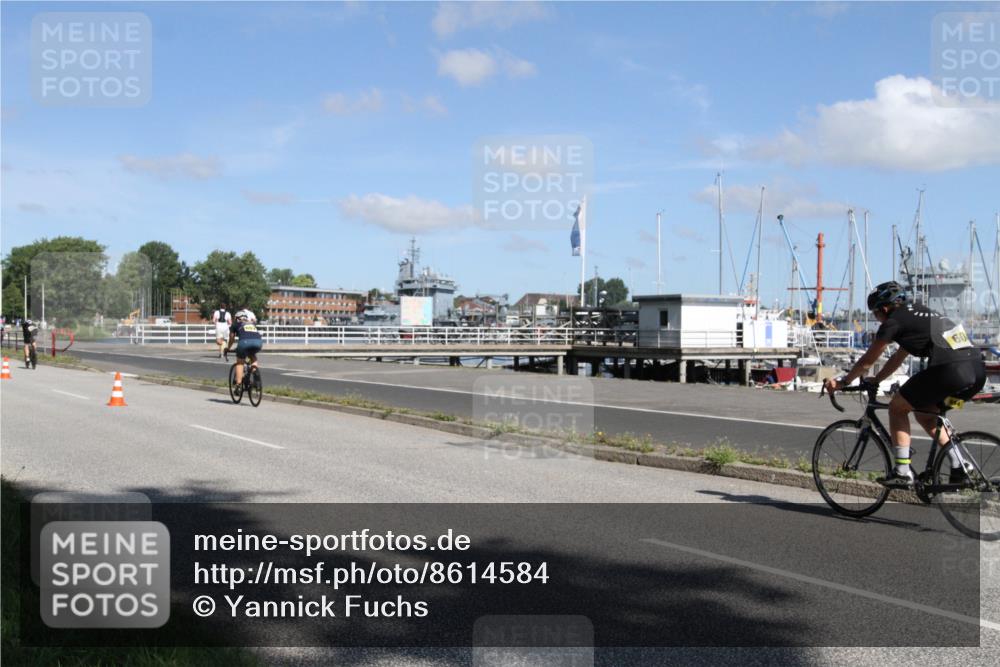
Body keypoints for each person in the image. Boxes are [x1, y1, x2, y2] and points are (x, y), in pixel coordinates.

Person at [824, 281, 986, 488]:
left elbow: (867, 360)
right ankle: (960, 465)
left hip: (950, 371)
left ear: (884, 308)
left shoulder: (893, 322)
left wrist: (842, 382)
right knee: (925, 414)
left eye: (874, 313)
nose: (876, 318)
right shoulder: (919, 313)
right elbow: (899, 357)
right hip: (976, 375)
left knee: (897, 408)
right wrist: (878, 379)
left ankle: (902, 471)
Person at [226, 309, 263, 386]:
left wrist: (228, 348)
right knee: (252, 356)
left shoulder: (236, 324)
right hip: (258, 342)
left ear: (237, 318)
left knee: (240, 363)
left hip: (244, 342)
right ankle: (255, 371)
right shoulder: (252, 323)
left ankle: (238, 384)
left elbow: (232, 338)